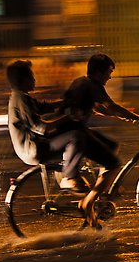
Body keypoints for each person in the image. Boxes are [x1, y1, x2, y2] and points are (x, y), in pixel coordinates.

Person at [62, 52, 139, 228]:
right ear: (98, 72)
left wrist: (126, 116)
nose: (110, 77)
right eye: (108, 72)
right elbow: (111, 107)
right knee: (114, 164)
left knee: (112, 145)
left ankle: (102, 187)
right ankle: (89, 201)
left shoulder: (83, 82)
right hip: (76, 134)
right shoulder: (92, 85)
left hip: (74, 131)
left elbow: (101, 108)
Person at [6, 59, 88, 192]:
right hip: (34, 149)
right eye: (31, 76)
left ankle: (66, 168)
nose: (34, 79)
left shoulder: (20, 97)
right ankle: (69, 176)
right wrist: (68, 117)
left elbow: (43, 107)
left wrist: (66, 103)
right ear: (23, 80)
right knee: (76, 137)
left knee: (71, 129)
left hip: (32, 147)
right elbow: (42, 128)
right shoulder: (20, 99)